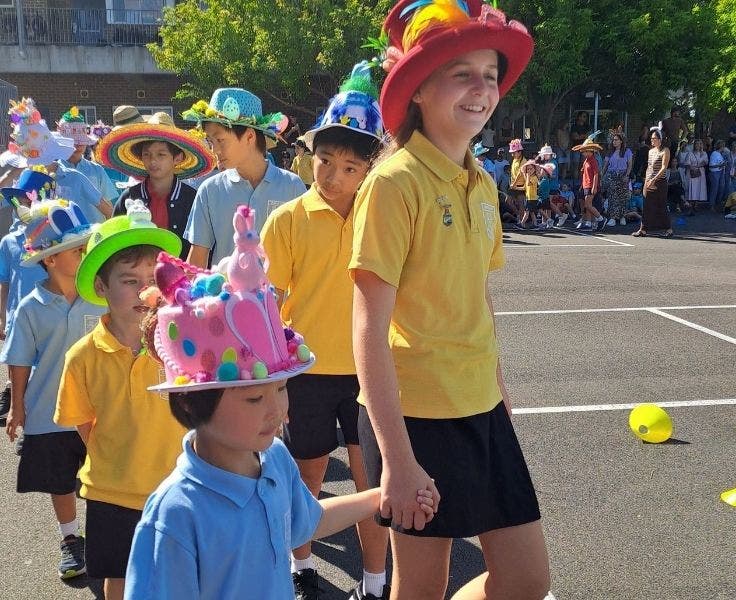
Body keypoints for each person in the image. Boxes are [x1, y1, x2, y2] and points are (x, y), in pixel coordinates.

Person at [122, 209, 435, 599]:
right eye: (255, 397)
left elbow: (307, 521)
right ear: (190, 404)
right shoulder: (174, 516)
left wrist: (382, 494)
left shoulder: (274, 460)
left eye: (282, 388)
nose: (278, 410)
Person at [351, 1, 550, 598]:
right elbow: (367, 327)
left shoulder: (483, 182)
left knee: (525, 580)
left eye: (490, 75)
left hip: (481, 405)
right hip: (415, 416)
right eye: (461, 73)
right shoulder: (393, 183)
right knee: (420, 588)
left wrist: (498, 382)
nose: (481, 89)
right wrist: (398, 459)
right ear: (418, 88)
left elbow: (475, 295)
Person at [261, 63, 390, 600]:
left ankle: (376, 579)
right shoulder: (288, 219)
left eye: (350, 166)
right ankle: (300, 564)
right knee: (306, 475)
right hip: (307, 371)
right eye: (324, 160)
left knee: (372, 484)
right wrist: (268, 373)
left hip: (371, 372)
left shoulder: (384, 215)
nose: (332, 175)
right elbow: (268, 301)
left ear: (370, 169)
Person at [54, 203, 188, 600]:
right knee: (119, 577)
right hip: (111, 490)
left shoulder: (181, 340)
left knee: (181, 575)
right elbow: (82, 423)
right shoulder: (82, 355)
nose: (144, 289)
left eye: (152, 278)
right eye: (129, 280)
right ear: (101, 287)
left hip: (179, 483)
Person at [1, 197, 104, 580]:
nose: (85, 255)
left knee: (103, 472)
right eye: (78, 251)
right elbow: (20, 359)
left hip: (98, 409)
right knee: (59, 479)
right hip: (49, 410)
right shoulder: (31, 306)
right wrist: (17, 407)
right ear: (51, 259)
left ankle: (102, 533)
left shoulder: (100, 294)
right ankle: (70, 538)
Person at [182, 89, 306, 268]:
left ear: (249, 136)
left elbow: (302, 256)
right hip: (224, 295)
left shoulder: (292, 187)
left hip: (278, 296)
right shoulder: (210, 190)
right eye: (210, 142)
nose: (214, 150)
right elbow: (197, 260)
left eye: (220, 140)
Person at [98, 112, 216, 259]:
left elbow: (204, 249)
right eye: (147, 155)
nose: (153, 161)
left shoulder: (192, 199)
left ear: (177, 158)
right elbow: (114, 243)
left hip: (182, 279)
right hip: (139, 279)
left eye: (161, 155)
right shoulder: (129, 197)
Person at [0, 97, 112, 224]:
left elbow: (110, 211)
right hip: (25, 242)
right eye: (24, 155)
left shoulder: (75, 177)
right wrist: (11, 175)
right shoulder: (20, 181)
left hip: (76, 240)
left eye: (33, 154)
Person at [0, 168, 51, 425]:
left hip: (48, 313)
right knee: (21, 369)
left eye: (29, 199)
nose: (24, 205)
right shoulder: (9, 241)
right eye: (20, 200)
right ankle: (22, 421)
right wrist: (3, 318)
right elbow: (5, 282)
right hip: (18, 314)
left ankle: (36, 425)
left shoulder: (54, 239)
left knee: (44, 376)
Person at [57, 106, 118, 205]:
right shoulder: (54, 171)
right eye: (73, 141)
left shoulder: (97, 170)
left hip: (97, 221)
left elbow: (109, 203)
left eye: (81, 141)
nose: (78, 145)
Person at [633, 128, 672, 237]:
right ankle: (643, 229)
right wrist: (646, 180)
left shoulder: (665, 151)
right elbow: (649, 167)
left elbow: (664, 168)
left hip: (660, 182)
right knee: (647, 205)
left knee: (661, 205)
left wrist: (654, 179)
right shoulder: (650, 151)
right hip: (649, 181)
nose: (652, 140)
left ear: (660, 139)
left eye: (654, 138)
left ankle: (668, 229)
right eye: (651, 138)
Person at [572, 133, 606, 231]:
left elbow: (596, 174)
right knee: (586, 205)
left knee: (588, 205)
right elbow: (583, 174)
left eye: (585, 151)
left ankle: (600, 219)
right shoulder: (586, 161)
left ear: (591, 151)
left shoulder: (593, 161)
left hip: (591, 185)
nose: (583, 153)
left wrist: (594, 186)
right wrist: (582, 186)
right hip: (585, 185)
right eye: (583, 151)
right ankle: (588, 223)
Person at [601, 133, 632, 226]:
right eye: (613, 140)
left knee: (622, 197)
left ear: (621, 141)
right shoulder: (610, 152)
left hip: (623, 175)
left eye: (616, 140)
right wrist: (601, 176)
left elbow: (630, 164)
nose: (614, 142)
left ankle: (622, 217)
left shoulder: (627, 151)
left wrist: (627, 175)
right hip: (612, 175)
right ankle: (613, 218)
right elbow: (606, 165)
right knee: (612, 197)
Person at [685, 139, 708, 207]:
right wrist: (692, 167)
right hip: (692, 172)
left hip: (700, 172)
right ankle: (691, 203)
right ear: (694, 145)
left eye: (699, 144)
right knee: (693, 187)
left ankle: (696, 203)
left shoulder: (704, 153)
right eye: (697, 144)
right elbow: (687, 163)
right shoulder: (690, 153)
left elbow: (705, 162)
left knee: (699, 187)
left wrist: (698, 166)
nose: (698, 145)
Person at [569, 111, 590, 182]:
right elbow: (575, 137)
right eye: (583, 116)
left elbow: (589, 137)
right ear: (579, 117)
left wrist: (580, 136)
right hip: (576, 147)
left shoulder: (587, 126)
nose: (585, 118)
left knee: (583, 165)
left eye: (586, 117)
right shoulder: (574, 126)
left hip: (585, 149)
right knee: (575, 165)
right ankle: (575, 182)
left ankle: (582, 182)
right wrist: (583, 136)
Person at [507, 138, 526, 216]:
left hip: (520, 185)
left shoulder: (523, 161)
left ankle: (522, 221)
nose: (512, 154)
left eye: (514, 152)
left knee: (521, 203)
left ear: (519, 152)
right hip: (513, 184)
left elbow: (520, 174)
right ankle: (518, 215)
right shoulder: (515, 159)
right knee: (508, 201)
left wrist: (514, 184)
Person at [708, 140, 727, 211]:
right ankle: (712, 205)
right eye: (723, 146)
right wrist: (721, 165)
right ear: (721, 146)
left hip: (720, 172)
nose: (724, 147)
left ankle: (718, 203)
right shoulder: (714, 153)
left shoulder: (720, 154)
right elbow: (711, 166)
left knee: (721, 187)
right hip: (714, 173)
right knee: (714, 189)